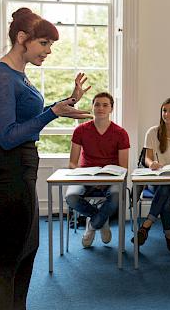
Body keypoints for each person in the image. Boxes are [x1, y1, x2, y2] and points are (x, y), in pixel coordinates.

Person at [0, 8, 92, 310]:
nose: (48, 51)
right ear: (22, 38)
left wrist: (65, 104)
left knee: (27, 249)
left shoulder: (19, 76)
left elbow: (30, 118)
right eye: (44, 43)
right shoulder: (3, 76)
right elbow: (8, 136)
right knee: (10, 256)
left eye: (51, 45)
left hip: (23, 172)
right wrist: (53, 113)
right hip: (9, 174)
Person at [65, 92, 130, 248]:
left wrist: (104, 179)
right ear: (92, 107)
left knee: (115, 196)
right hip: (85, 176)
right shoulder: (80, 130)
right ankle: (101, 219)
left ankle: (93, 225)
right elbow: (72, 164)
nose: (101, 108)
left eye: (105, 105)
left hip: (111, 177)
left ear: (111, 109)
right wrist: (90, 179)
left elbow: (123, 168)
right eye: (97, 104)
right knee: (71, 196)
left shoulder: (121, 133)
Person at [132, 98, 170, 256]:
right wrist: (151, 163)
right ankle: (169, 238)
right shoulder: (152, 132)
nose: (167, 114)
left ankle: (146, 226)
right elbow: (147, 158)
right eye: (164, 110)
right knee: (165, 193)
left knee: (166, 188)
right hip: (157, 180)